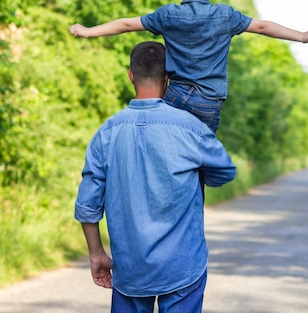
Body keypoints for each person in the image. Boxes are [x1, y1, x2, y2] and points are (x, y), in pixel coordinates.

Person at [70, 0, 308, 133]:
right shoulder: (226, 16)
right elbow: (263, 26)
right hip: (208, 103)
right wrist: (301, 36)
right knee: (200, 158)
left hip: (176, 96)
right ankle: (207, 172)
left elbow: (126, 24)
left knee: (169, 146)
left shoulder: (167, 15)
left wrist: (88, 31)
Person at [74, 41, 236, 313]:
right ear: (168, 79)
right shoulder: (190, 128)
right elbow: (224, 171)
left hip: (130, 268)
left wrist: (96, 253)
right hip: (183, 265)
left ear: (131, 76)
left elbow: (88, 204)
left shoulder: (108, 131)